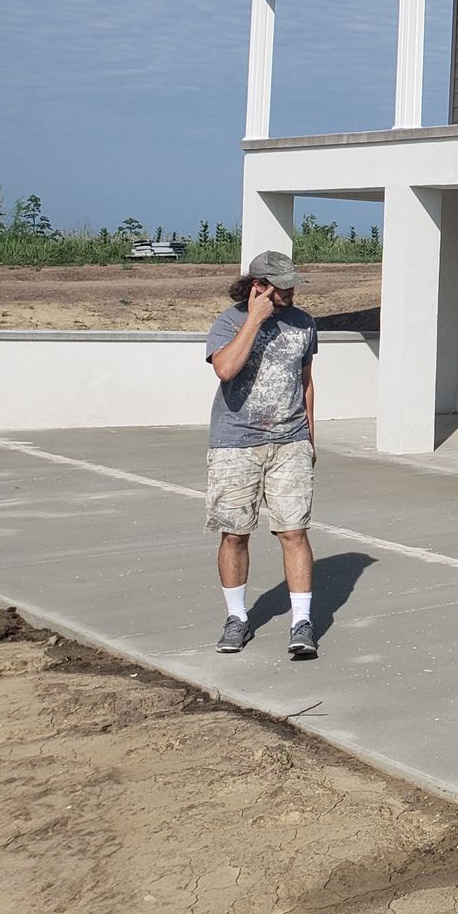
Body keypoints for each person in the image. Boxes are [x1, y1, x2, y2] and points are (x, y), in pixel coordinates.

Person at [204, 250, 320, 658]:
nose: (290, 290)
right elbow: (225, 370)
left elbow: (305, 382)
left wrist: (309, 438)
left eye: (291, 283)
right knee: (235, 533)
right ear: (259, 286)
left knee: (294, 531)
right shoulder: (230, 322)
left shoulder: (304, 323)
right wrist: (254, 320)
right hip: (235, 443)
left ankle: (301, 622)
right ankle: (237, 618)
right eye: (281, 284)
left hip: (290, 442)